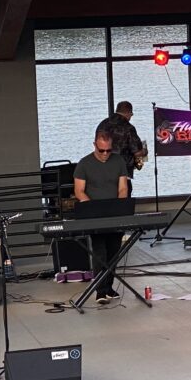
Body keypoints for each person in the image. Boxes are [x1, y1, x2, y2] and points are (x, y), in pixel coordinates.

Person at [74, 130, 130, 304]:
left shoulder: (119, 161)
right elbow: (79, 191)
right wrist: (92, 207)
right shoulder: (84, 164)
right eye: (101, 150)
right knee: (99, 252)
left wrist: (119, 208)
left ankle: (109, 287)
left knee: (114, 252)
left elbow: (123, 188)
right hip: (94, 215)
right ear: (95, 146)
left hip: (114, 214)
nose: (105, 154)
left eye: (108, 150)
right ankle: (100, 290)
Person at [96, 100, 145, 195]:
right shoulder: (128, 128)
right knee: (123, 202)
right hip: (122, 172)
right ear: (128, 113)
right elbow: (137, 152)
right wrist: (145, 152)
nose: (131, 117)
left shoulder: (102, 124)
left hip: (102, 171)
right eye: (131, 114)